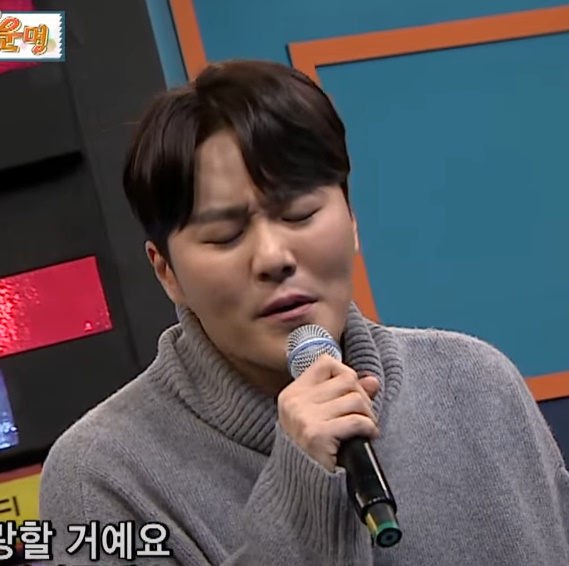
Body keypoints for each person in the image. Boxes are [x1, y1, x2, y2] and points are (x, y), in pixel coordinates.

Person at [39, 59, 569, 565]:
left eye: (299, 213)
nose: (274, 257)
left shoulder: (477, 384)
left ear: (352, 219)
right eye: (225, 236)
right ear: (166, 272)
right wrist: (301, 501)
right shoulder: (101, 474)